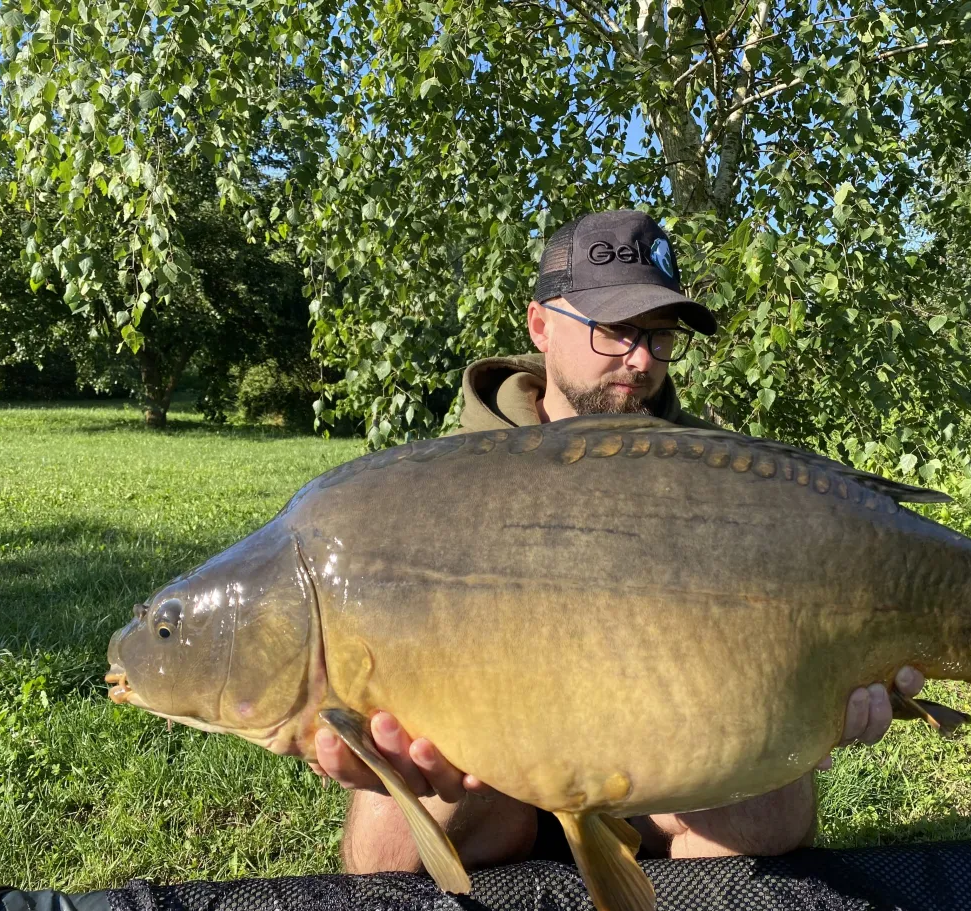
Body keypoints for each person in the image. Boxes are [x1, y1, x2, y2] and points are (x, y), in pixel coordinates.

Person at [313, 210, 926, 873]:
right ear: (540, 325)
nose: (640, 360)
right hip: (488, 782)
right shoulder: (436, 484)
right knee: (389, 849)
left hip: (669, 759)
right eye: (615, 331)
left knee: (768, 814)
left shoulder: (722, 476)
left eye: (659, 337)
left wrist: (823, 689)